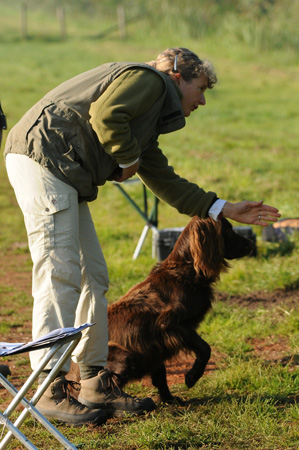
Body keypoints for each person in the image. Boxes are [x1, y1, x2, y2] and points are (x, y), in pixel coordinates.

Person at [4, 47, 280, 426]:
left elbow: (163, 179)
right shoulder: (148, 81)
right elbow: (105, 116)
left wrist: (224, 208)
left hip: (65, 172)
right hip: (44, 160)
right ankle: (49, 389)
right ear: (178, 77)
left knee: (94, 277)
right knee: (60, 274)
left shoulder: (149, 115)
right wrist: (128, 158)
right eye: (201, 88)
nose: (202, 99)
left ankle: (93, 382)